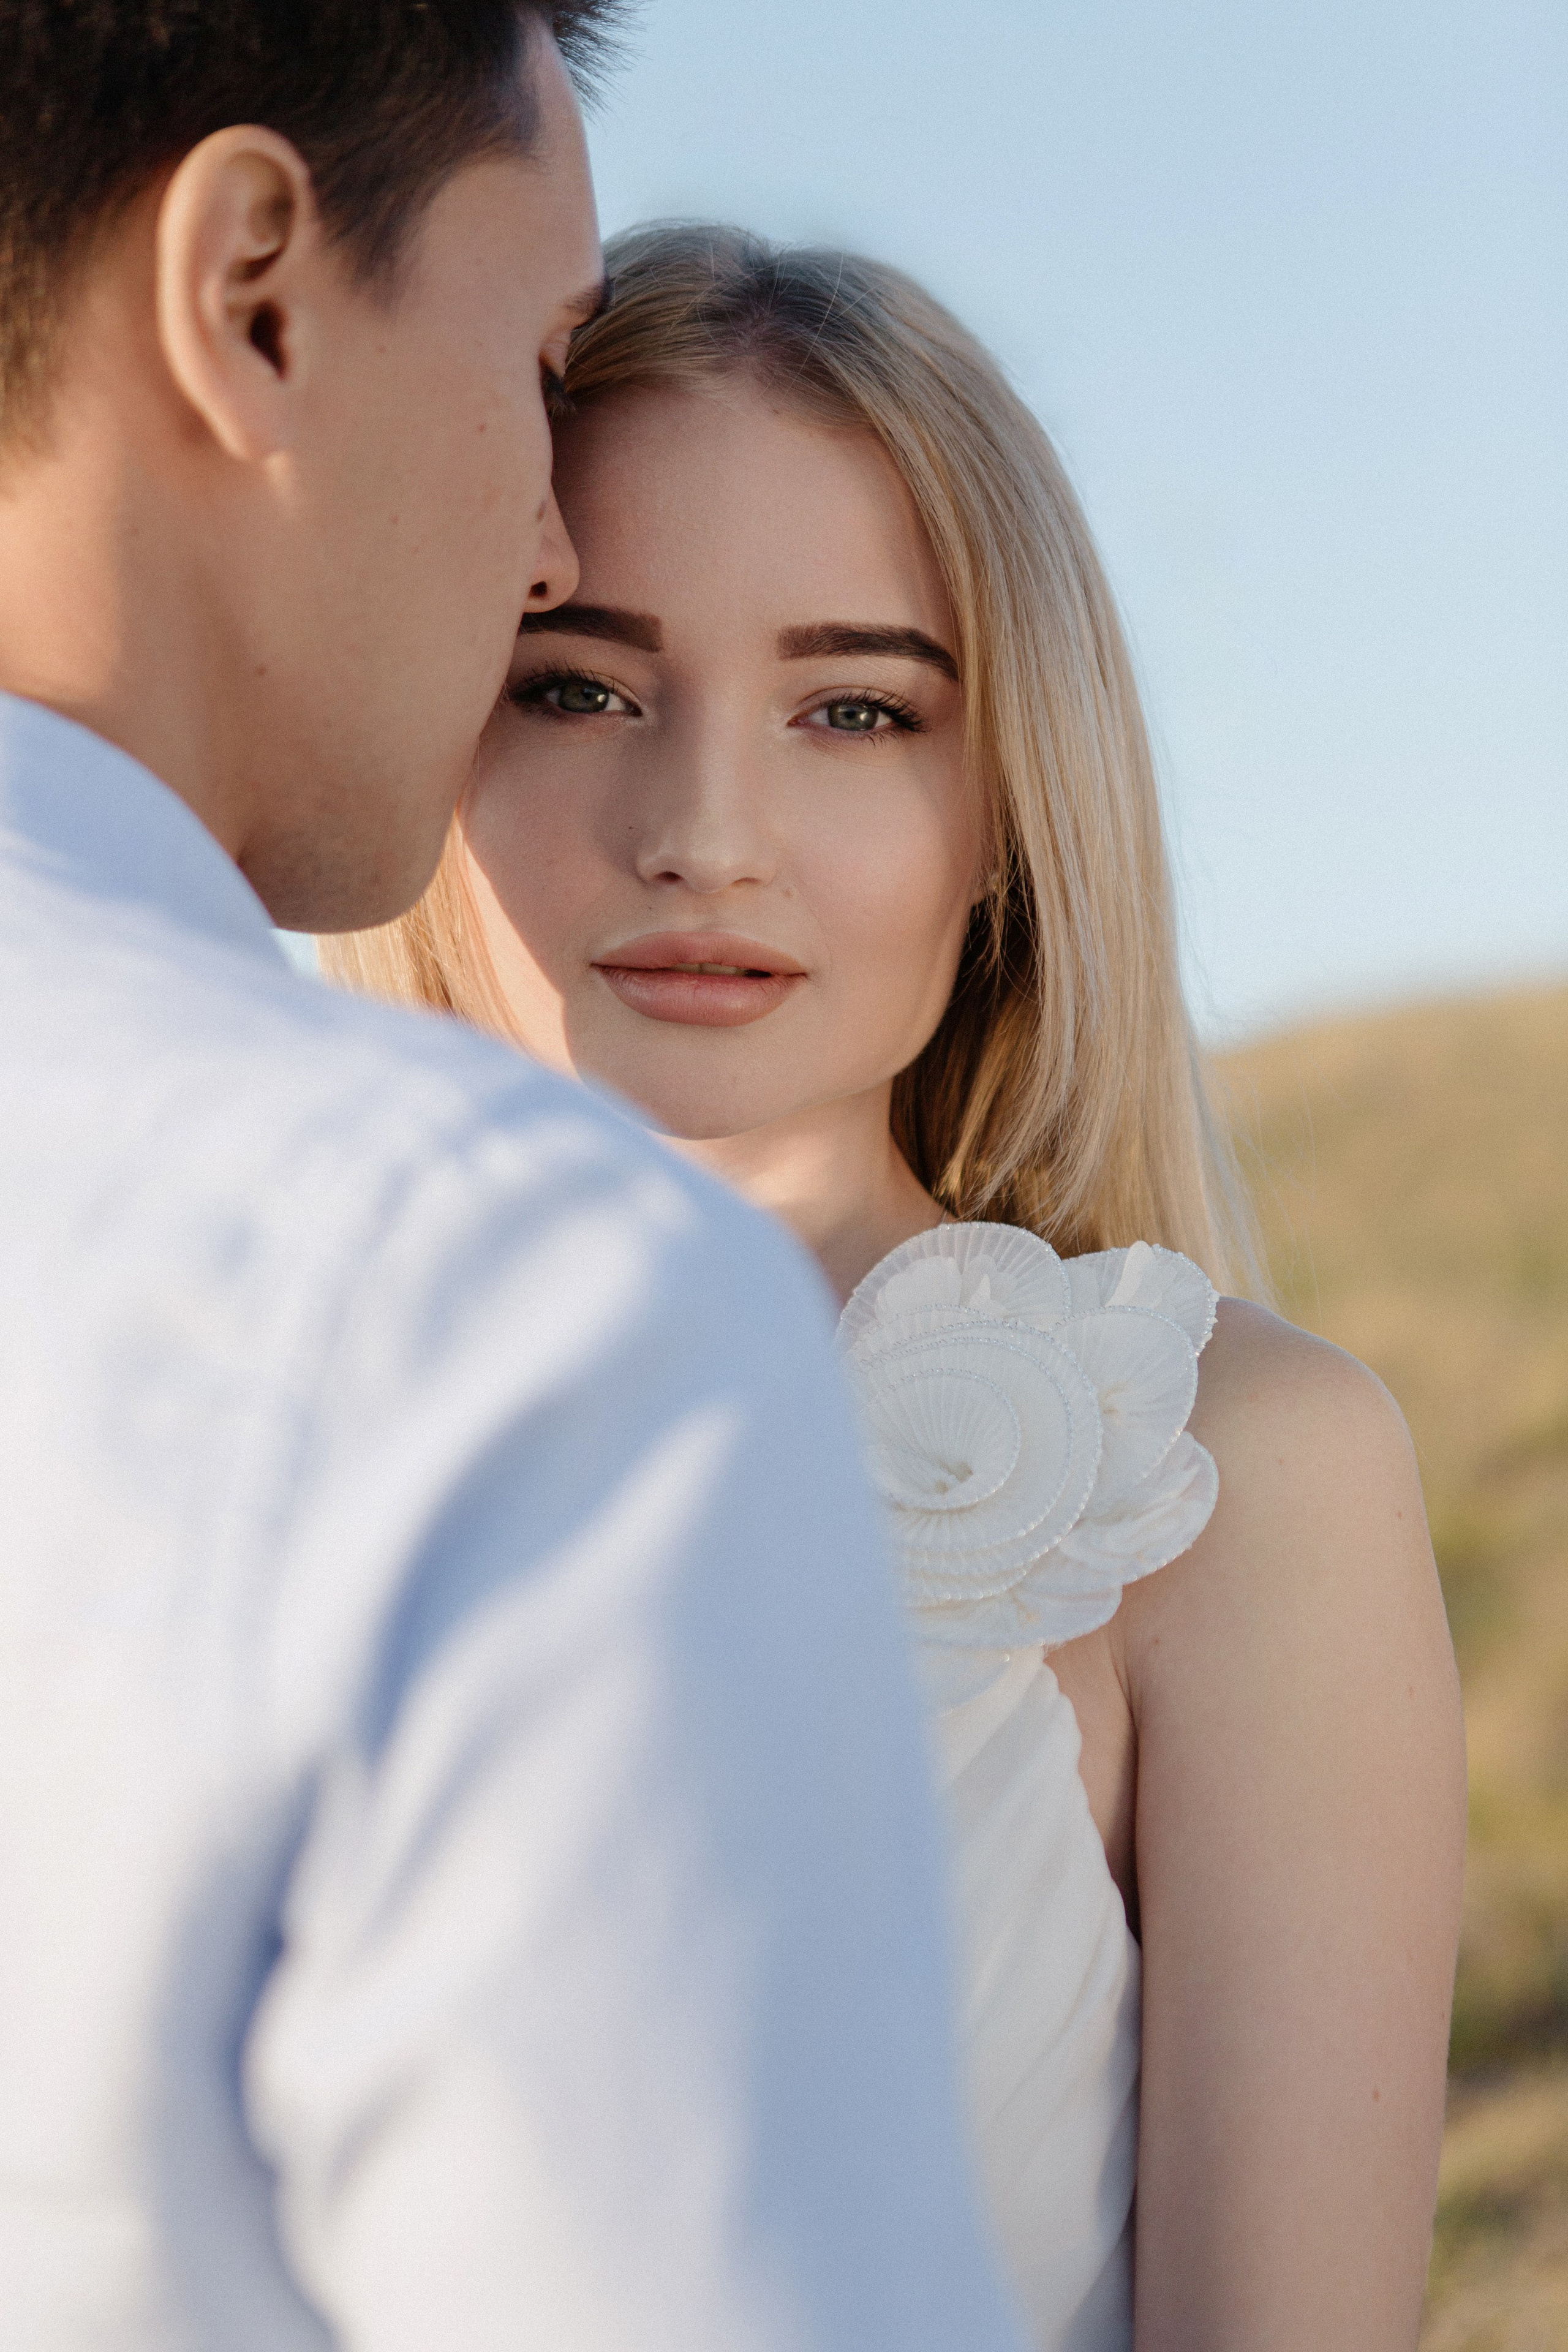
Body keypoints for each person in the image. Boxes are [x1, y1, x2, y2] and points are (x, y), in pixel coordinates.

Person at [328, 224, 1470, 2351]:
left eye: (854, 708)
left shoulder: (1232, 1476)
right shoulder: (187, 1418)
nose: (704, 828)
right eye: (576, 683)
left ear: (1006, 815)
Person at [0, 19, 1027, 2351]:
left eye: (858, 703)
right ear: (257, 290)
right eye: (539, 354)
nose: (549, 530)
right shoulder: (500, 1311)